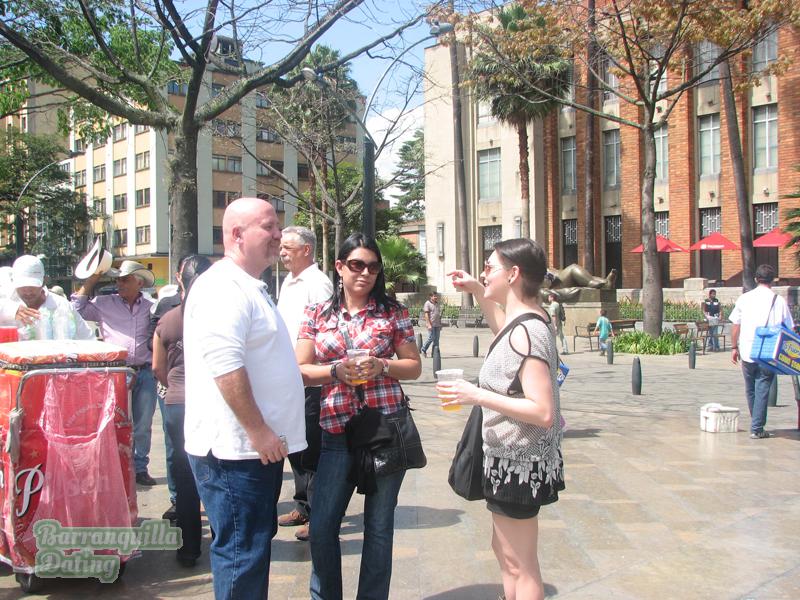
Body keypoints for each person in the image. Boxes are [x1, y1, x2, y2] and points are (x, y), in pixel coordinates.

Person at [183, 197, 306, 599]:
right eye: (269, 227)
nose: (278, 235)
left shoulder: (248, 285)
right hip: (235, 453)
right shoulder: (223, 287)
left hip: (253, 451)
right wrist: (258, 431)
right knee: (242, 552)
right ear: (237, 234)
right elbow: (226, 366)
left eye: (278, 227)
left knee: (250, 546)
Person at [296, 232, 422, 600]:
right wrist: (335, 371)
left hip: (384, 428)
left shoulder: (392, 312)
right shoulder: (317, 313)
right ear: (339, 267)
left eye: (373, 267)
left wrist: (383, 365)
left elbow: (413, 366)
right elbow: (301, 369)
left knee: (379, 527)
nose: (365, 273)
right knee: (322, 526)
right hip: (336, 431)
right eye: (357, 265)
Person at [438, 238, 564, 600]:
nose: (483, 273)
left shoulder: (529, 331)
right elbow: (504, 332)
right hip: (508, 460)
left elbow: (543, 411)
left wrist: (476, 395)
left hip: (520, 463)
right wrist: (477, 290)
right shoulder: (522, 323)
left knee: (520, 562)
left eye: (489, 267)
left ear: (513, 274)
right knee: (505, 552)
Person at [71, 259, 166, 487]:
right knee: (113, 421)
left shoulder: (151, 306)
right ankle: (116, 466)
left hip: (144, 372)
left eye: (125, 280)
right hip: (116, 372)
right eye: (118, 280)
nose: (119, 284)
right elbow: (76, 308)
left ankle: (139, 467)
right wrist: (94, 277)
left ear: (139, 283)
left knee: (142, 424)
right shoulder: (105, 302)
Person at [152, 255, 211, 568]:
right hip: (212, 403)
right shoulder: (219, 316)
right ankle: (223, 540)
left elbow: (157, 367)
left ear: (180, 279)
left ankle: (189, 549)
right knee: (215, 474)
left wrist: (174, 387)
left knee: (185, 476)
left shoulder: (168, 319)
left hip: (177, 403)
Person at [276, 226, 333, 542]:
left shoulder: (317, 283)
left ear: (307, 250)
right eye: (282, 247)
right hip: (287, 376)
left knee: (311, 446)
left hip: (310, 378)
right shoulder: (288, 280)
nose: (282, 252)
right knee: (294, 444)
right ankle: (302, 505)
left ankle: (318, 513)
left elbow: (326, 329)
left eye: (288, 247)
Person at [730, 264, 794, 439]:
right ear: (772, 280)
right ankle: (757, 427)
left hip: (747, 349)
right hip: (768, 351)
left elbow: (735, 325)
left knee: (750, 388)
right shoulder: (778, 301)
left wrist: (734, 347)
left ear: (756, 279)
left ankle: (756, 422)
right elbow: (789, 328)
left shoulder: (744, 298)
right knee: (763, 387)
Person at [0, 255, 94, 339]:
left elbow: (88, 339)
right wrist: (11, 310)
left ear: (44, 281)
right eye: (22, 287)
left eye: (33, 286)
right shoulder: (6, 299)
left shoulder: (61, 305)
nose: (28, 292)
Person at [419, 291, 442, 358]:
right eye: (434, 296)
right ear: (431, 297)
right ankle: (423, 349)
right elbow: (426, 315)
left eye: (436, 296)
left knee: (436, 340)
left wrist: (440, 324)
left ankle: (434, 353)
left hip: (437, 324)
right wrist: (428, 324)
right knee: (431, 338)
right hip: (431, 324)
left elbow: (438, 315)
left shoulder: (437, 304)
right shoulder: (427, 303)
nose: (436, 297)